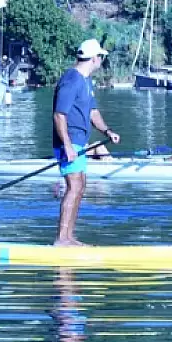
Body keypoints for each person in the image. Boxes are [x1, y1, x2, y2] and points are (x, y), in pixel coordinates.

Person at [53, 39, 123, 247]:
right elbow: (59, 115)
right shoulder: (71, 80)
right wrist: (66, 145)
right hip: (68, 141)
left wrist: (107, 131)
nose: (101, 60)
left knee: (80, 186)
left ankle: (69, 237)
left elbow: (93, 112)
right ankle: (61, 239)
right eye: (101, 57)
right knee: (73, 186)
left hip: (79, 142)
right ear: (94, 58)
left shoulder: (86, 81)